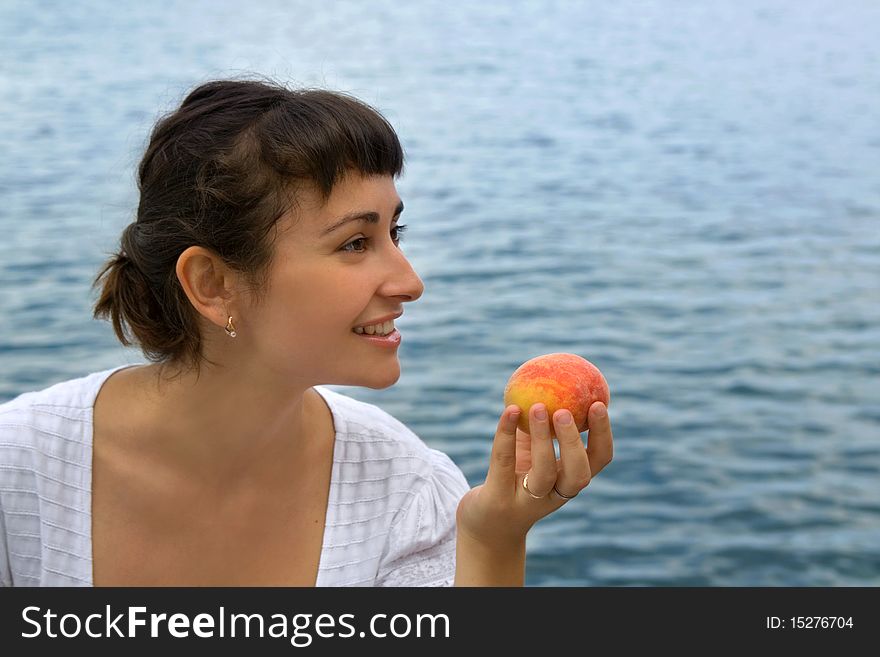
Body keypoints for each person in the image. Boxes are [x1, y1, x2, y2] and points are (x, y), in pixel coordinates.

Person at [0, 78, 613, 587]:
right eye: (354, 242)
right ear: (212, 284)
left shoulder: (408, 491)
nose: (410, 282)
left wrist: (492, 539)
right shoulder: (17, 470)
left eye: (393, 235)